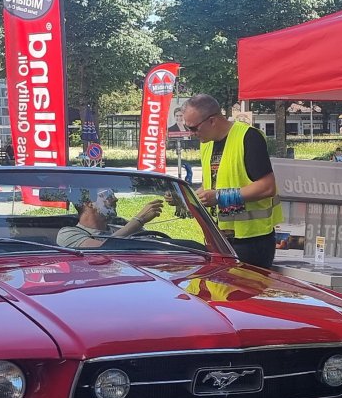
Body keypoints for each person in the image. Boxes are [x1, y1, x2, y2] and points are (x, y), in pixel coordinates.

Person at [181, 94, 282, 270]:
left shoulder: (248, 137)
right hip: (219, 239)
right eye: (187, 128)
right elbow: (213, 184)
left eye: (193, 128)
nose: (192, 134)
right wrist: (189, 197)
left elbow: (267, 187)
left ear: (212, 121)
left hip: (251, 241)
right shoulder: (206, 143)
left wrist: (220, 197)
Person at [57, 188, 163, 248]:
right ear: (89, 203)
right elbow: (103, 249)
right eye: (108, 194)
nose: (115, 199)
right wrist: (138, 220)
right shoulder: (68, 234)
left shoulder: (119, 228)